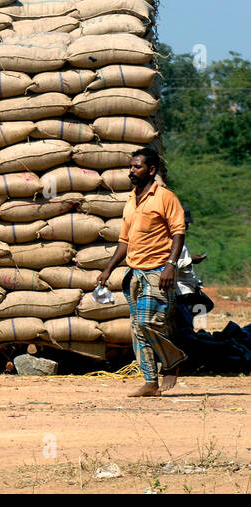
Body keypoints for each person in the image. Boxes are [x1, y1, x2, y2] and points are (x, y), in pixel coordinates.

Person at [97, 146, 187, 397]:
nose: (132, 171)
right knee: (138, 328)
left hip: (159, 271)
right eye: (131, 166)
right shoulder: (130, 200)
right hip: (134, 273)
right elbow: (124, 241)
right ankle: (150, 383)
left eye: (137, 167)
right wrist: (108, 269)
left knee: (149, 322)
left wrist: (171, 265)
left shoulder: (165, 197)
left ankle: (172, 359)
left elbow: (178, 232)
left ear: (152, 170)